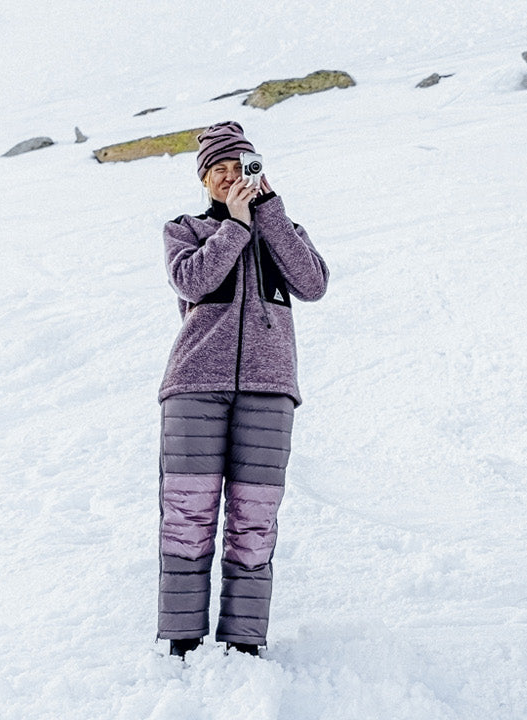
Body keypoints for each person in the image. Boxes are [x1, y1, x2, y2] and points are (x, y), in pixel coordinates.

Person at [154, 121, 328, 658]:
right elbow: (193, 281)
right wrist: (233, 227)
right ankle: (182, 642)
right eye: (219, 170)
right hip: (193, 385)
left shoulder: (281, 228)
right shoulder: (185, 229)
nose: (230, 178)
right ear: (204, 180)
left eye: (241, 167)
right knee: (187, 515)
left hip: (269, 388)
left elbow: (313, 284)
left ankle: (244, 645)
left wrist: (268, 214)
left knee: (255, 518)